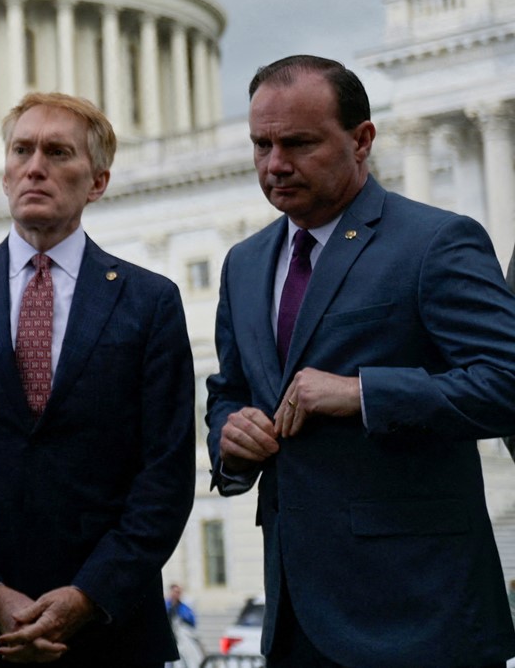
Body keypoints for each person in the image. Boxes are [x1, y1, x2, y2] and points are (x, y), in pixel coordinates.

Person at [206, 55, 515, 668]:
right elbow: (230, 390)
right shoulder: (243, 262)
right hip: (293, 619)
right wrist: (229, 434)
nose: (275, 164)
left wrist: (363, 394)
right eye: (261, 144)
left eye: (298, 143)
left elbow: (507, 382)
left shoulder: (435, 241)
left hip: (418, 617)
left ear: (362, 139)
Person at [0, 93, 194, 666]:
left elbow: (165, 473)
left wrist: (89, 594)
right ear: (6, 170)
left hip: (112, 630)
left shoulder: (150, 302)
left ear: (98, 182)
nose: (35, 166)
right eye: (22, 150)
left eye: (58, 151)